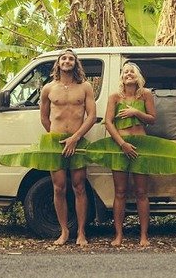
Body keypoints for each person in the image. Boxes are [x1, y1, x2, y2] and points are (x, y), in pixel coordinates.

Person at [39, 48, 97, 246]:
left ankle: (81, 232)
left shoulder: (85, 87)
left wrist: (75, 137)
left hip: (78, 142)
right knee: (58, 187)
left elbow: (91, 116)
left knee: (80, 187)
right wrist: (55, 137)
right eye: (63, 58)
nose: (67, 61)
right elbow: (44, 117)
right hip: (56, 144)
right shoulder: (48, 89)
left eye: (71, 58)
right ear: (58, 63)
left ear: (75, 63)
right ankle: (64, 231)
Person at [104, 62, 157, 246]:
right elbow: (108, 122)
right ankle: (118, 236)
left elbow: (152, 119)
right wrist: (122, 143)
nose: (128, 74)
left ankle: (144, 236)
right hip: (120, 147)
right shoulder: (115, 97)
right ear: (122, 77)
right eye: (125, 72)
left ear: (138, 76)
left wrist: (136, 112)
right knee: (120, 192)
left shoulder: (145, 95)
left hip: (141, 147)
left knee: (142, 192)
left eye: (132, 71)